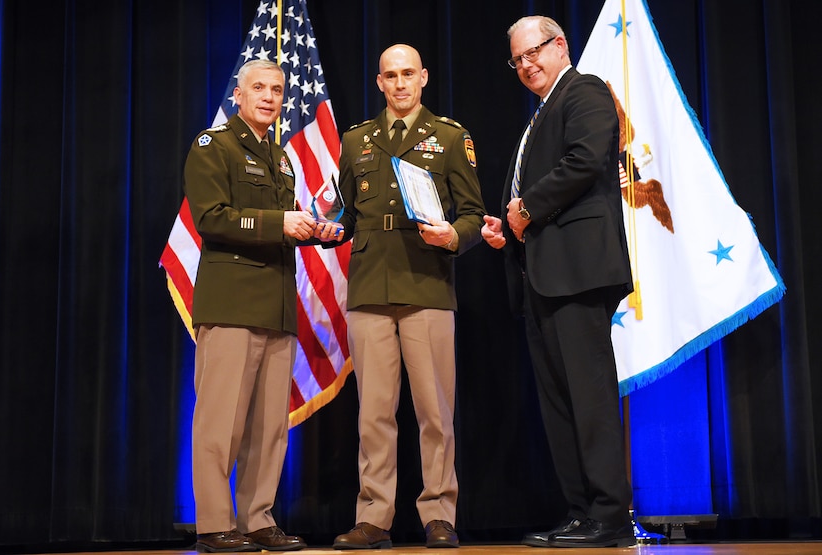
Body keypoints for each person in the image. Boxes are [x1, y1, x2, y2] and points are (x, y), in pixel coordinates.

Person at [481, 16, 636, 549]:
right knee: (560, 402)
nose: (527, 65)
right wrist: (510, 225)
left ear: (560, 44)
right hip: (544, 276)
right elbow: (540, 181)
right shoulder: (540, 115)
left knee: (588, 399)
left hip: (579, 273)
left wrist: (527, 208)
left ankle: (610, 515)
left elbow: (585, 160)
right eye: (518, 59)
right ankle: (581, 513)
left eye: (534, 52)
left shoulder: (585, 89)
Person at [330, 44, 486, 550]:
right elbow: (345, 214)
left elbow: (472, 215)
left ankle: (438, 512)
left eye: (407, 75)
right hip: (371, 284)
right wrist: (326, 229)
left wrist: (455, 237)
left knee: (434, 411)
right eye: (390, 76)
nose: (399, 84)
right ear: (379, 82)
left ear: (423, 78)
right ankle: (374, 517)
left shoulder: (449, 136)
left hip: (426, 284)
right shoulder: (356, 141)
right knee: (373, 411)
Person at [183, 59, 342, 553]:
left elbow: (285, 224)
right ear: (237, 94)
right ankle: (213, 525)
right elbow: (211, 218)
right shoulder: (214, 146)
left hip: (276, 305)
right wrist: (279, 223)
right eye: (259, 88)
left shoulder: (281, 158)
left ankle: (258, 520)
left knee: (271, 427)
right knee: (220, 422)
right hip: (232, 304)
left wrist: (314, 230)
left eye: (276, 89)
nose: (269, 97)